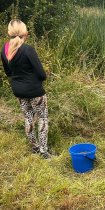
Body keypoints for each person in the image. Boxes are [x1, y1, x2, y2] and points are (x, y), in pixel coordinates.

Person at [1, 19, 51, 159]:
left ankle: (34, 147)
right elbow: (41, 74)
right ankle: (44, 151)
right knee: (42, 118)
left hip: (18, 91)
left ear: (8, 34)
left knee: (28, 118)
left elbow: (8, 73)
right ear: (26, 34)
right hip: (35, 91)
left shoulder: (4, 50)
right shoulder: (28, 49)